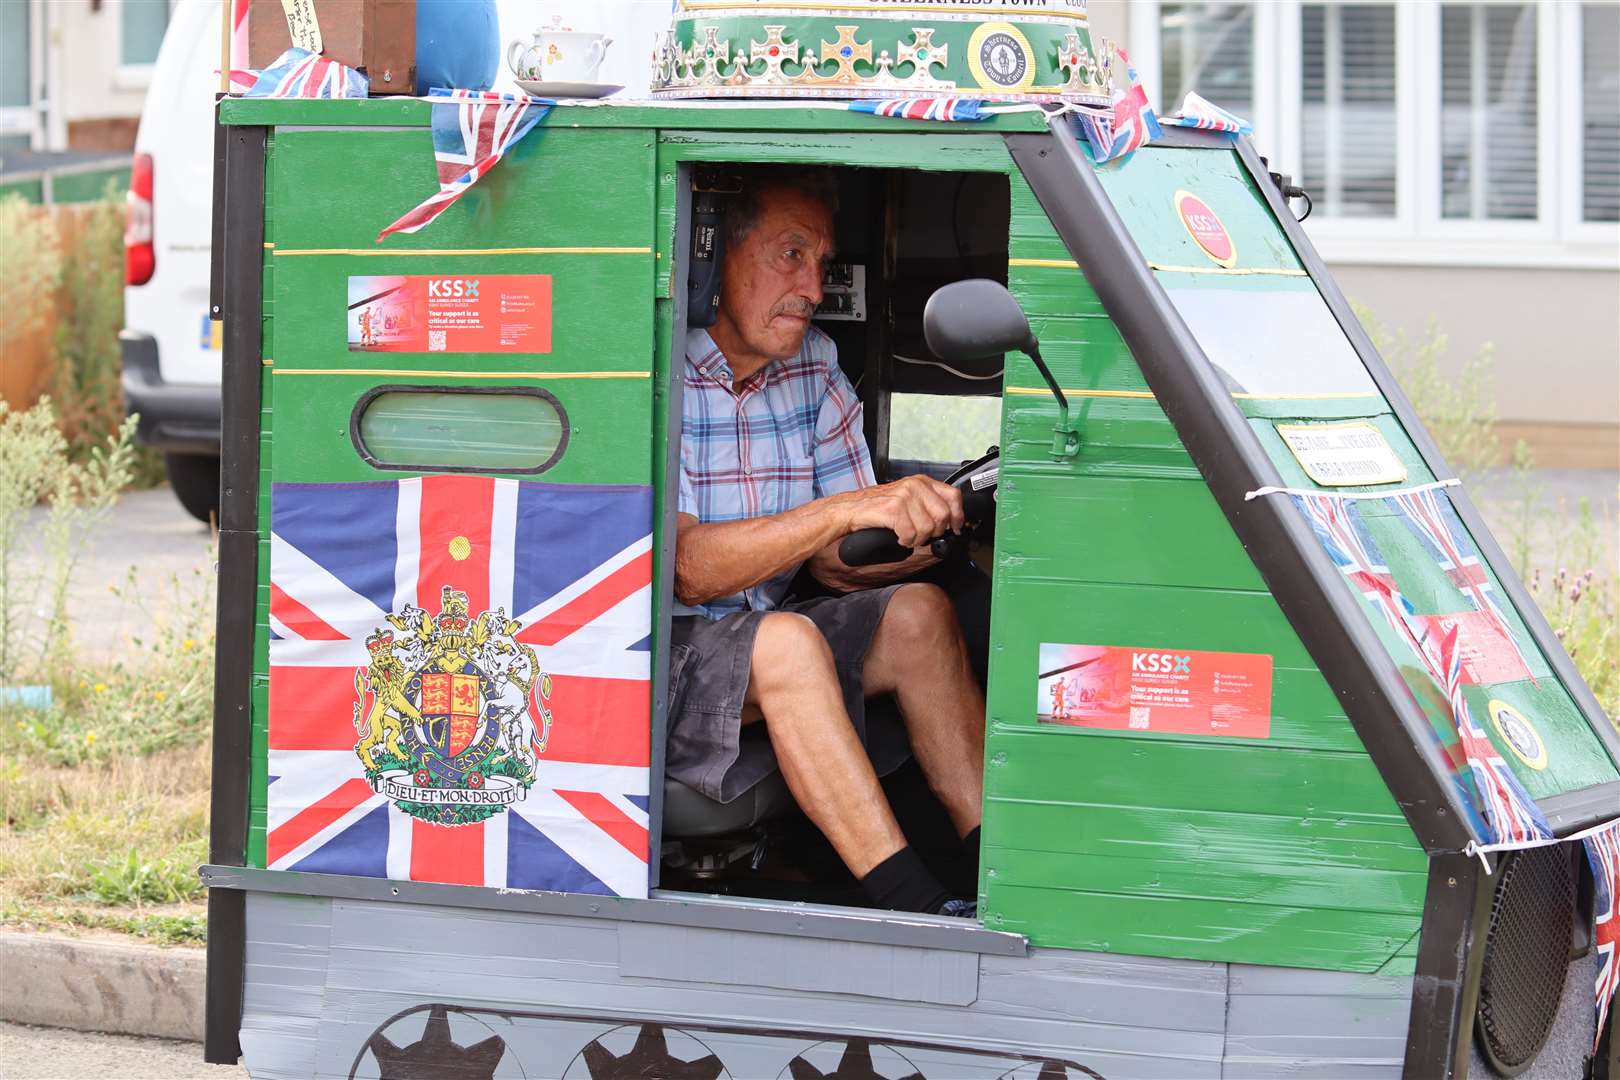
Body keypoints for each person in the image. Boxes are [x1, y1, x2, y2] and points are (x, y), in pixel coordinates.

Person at [668, 167, 986, 916]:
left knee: (917, 613)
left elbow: (835, 562)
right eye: (791, 255)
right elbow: (690, 570)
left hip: (762, 634)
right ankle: (912, 906)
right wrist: (844, 511)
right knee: (783, 643)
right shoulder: (664, 369)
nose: (813, 287)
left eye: (822, 262)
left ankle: (990, 880)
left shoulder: (813, 365)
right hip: (660, 653)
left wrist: (938, 528)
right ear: (716, 262)